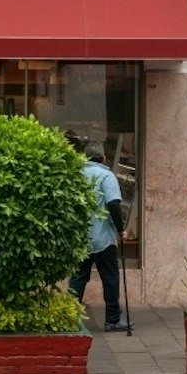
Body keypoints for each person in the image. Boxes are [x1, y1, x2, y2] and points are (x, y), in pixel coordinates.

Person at [69, 133, 129, 333]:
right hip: (103, 238)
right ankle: (112, 319)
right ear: (103, 158)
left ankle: (69, 317)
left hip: (81, 238)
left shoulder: (76, 174)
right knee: (110, 278)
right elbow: (113, 203)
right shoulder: (107, 175)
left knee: (78, 278)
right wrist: (120, 230)